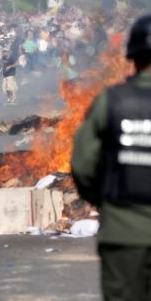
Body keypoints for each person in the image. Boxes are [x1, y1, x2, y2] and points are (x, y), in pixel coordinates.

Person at [71, 15, 151, 301]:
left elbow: (82, 165)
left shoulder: (112, 101)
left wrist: (104, 200)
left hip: (123, 231)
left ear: (132, 57)